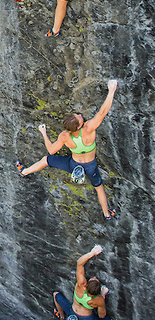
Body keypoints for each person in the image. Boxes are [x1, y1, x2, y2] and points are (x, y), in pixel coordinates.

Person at [16, 80, 118, 220]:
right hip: (90, 166)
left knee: (46, 160)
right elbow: (102, 112)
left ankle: (24, 171)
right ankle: (106, 214)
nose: (81, 116)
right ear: (78, 126)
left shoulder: (65, 136)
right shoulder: (88, 129)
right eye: (79, 117)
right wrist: (111, 90)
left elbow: (51, 151)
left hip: (73, 164)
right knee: (99, 187)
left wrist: (44, 133)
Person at [53, 244, 128, 320]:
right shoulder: (98, 300)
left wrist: (92, 253)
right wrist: (103, 295)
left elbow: (79, 263)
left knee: (56, 295)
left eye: (94, 279)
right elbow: (102, 316)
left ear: (87, 284)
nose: (94, 277)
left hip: (72, 311)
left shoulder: (80, 285)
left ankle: (62, 316)